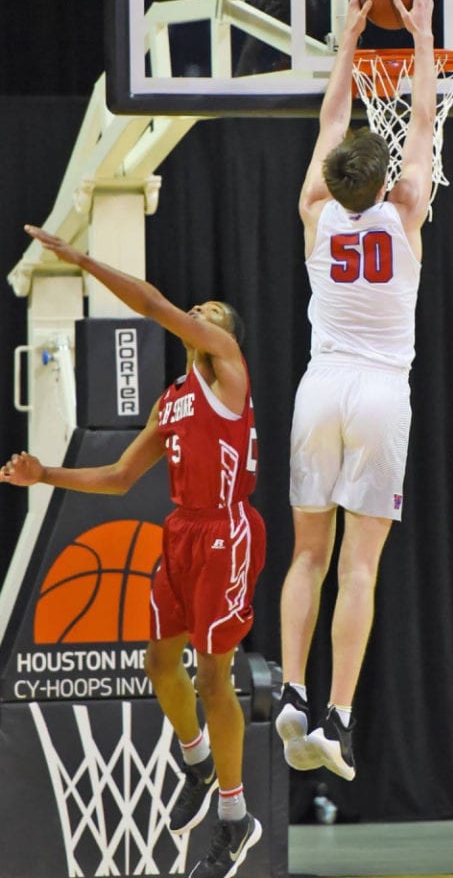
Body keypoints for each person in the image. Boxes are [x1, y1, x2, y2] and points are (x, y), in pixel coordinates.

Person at [1, 225, 266, 878]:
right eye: (197, 310)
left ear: (219, 332)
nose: (198, 314)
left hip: (226, 532)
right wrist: (47, 476)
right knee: (157, 663)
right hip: (181, 534)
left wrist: (82, 259)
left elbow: (154, 307)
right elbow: (119, 477)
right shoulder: (171, 402)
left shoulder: (225, 365)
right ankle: (198, 763)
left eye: (208, 312)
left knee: (213, 676)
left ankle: (236, 819)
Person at [274, 0, 437, 781]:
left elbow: (334, 114)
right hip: (379, 392)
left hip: (319, 385)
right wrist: (419, 39)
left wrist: (348, 41)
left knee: (306, 555)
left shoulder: (315, 204)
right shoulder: (406, 207)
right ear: (386, 184)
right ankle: (336, 716)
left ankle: (292, 692)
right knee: (359, 566)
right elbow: (423, 123)